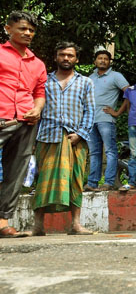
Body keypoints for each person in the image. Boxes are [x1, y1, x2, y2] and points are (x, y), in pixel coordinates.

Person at [32, 41, 95, 236]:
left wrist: (81, 134)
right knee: (43, 180)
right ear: (55, 57)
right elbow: (36, 108)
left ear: (77, 59)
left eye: (70, 55)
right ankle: (38, 226)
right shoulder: (44, 81)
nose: (66, 58)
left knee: (75, 180)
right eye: (62, 55)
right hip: (47, 137)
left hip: (75, 139)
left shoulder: (86, 82)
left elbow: (90, 111)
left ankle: (75, 225)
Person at [0, 11, 46, 238]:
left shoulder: (37, 63)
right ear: (8, 29)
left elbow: (39, 93)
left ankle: (2, 222)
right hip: (2, 117)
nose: (28, 33)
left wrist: (37, 109)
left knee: (16, 173)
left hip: (26, 122)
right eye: (23, 28)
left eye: (31, 30)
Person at [86, 49, 129, 192]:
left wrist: (117, 112)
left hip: (106, 119)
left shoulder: (116, 76)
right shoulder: (90, 77)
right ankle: (92, 183)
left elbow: (129, 93)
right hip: (91, 120)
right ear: (95, 61)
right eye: (100, 58)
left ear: (109, 61)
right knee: (94, 152)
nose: (103, 60)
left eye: (105, 58)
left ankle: (109, 182)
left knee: (110, 151)